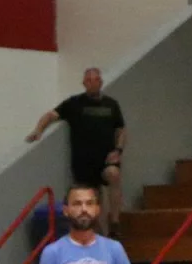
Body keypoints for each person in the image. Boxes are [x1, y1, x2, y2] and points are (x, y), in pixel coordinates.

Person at [26, 68, 126, 237]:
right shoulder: (74, 103)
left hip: (106, 158)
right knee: (93, 200)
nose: (92, 83)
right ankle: (103, 236)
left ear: (101, 82)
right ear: (84, 83)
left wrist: (118, 150)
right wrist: (38, 130)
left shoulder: (111, 104)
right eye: (89, 80)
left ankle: (115, 222)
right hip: (84, 162)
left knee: (113, 174)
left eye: (96, 80)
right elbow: (51, 115)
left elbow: (121, 129)